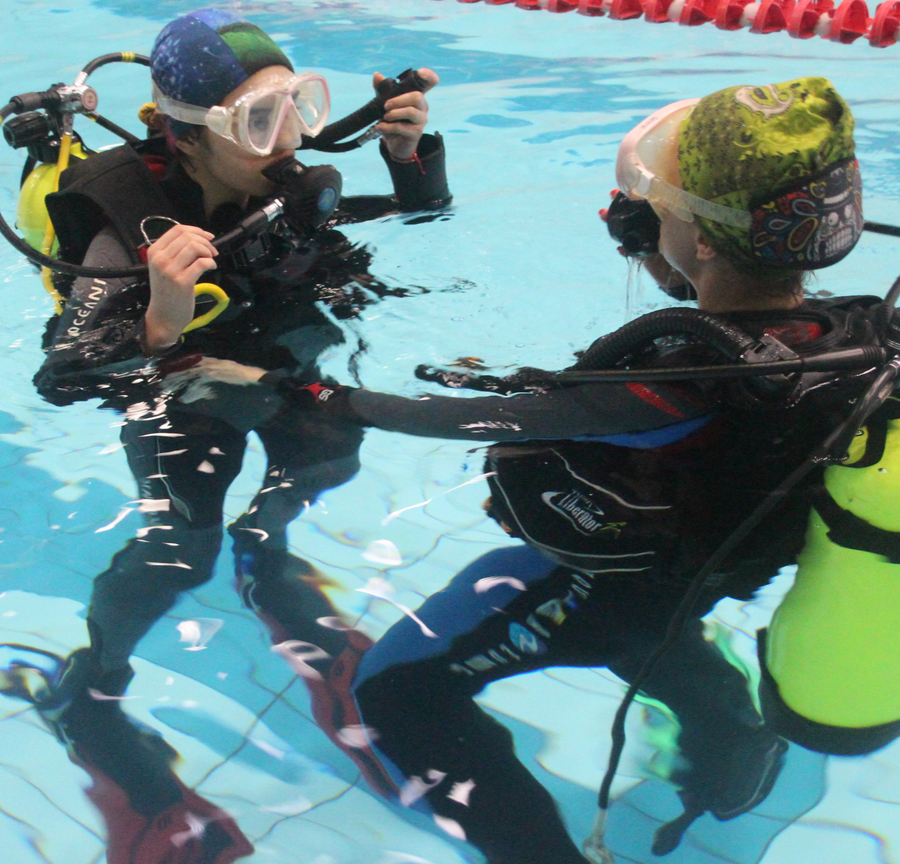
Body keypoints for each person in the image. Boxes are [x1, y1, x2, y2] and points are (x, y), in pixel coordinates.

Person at [170, 77, 882, 863]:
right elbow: (717, 308)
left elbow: (459, 419)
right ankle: (732, 761)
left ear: (707, 238)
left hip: (603, 583)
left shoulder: (669, 387)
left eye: (666, 207)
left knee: (396, 690)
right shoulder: (847, 338)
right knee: (651, 633)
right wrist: (671, 255)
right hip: (697, 568)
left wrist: (287, 389)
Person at [18, 8, 450, 864]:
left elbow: (423, 222)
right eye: (260, 119)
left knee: (326, 457)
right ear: (186, 137)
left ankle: (271, 553)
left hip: (282, 355)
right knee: (183, 544)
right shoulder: (123, 227)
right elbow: (64, 373)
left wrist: (409, 161)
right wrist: (161, 322)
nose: (288, 135)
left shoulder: (284, 181)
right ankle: (91, 682)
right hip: (181, 386)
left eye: (296, 105)